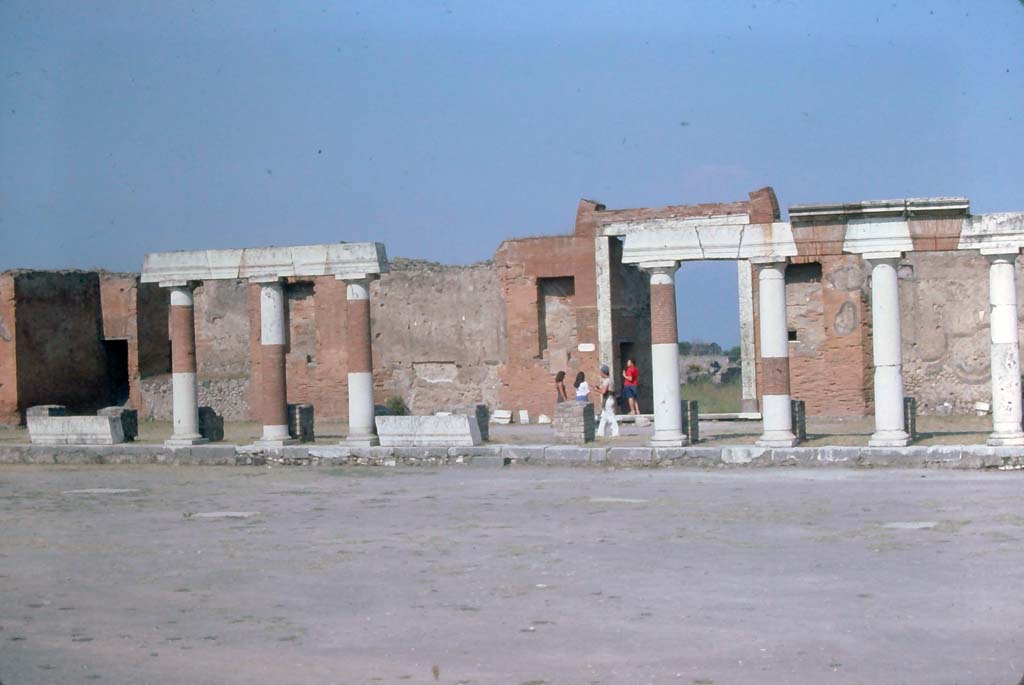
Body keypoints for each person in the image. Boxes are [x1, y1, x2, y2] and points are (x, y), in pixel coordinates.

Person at [592, 365, 619, 437]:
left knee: (611, 417)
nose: (600, 373)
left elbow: (604, 391)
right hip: (609, 399)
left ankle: (615, 432)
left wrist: (596, 390)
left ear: (604, 372)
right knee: (603, 417)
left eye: (601, 372)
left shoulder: (607, 381)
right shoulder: (610, 380)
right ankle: (600, 433)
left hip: (608, 400)